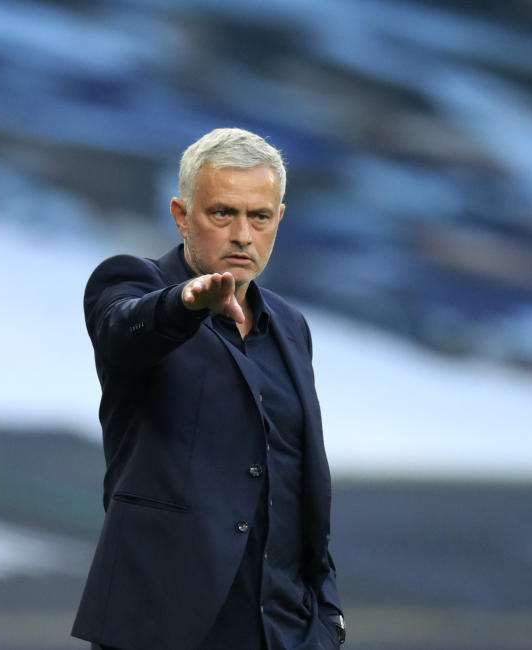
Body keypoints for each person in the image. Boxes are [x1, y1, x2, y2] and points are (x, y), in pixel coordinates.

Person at [71, 128, 344, 650]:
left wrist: (326, 619)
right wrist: (184, 304)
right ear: (181, 215)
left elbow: (298, 477)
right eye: (223, 214)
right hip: (162, 633)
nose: (243, 234)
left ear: (278, 220)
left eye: (259, 217)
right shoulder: (131, 284)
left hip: (283, 635)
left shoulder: (290, 326)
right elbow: (122, 330)